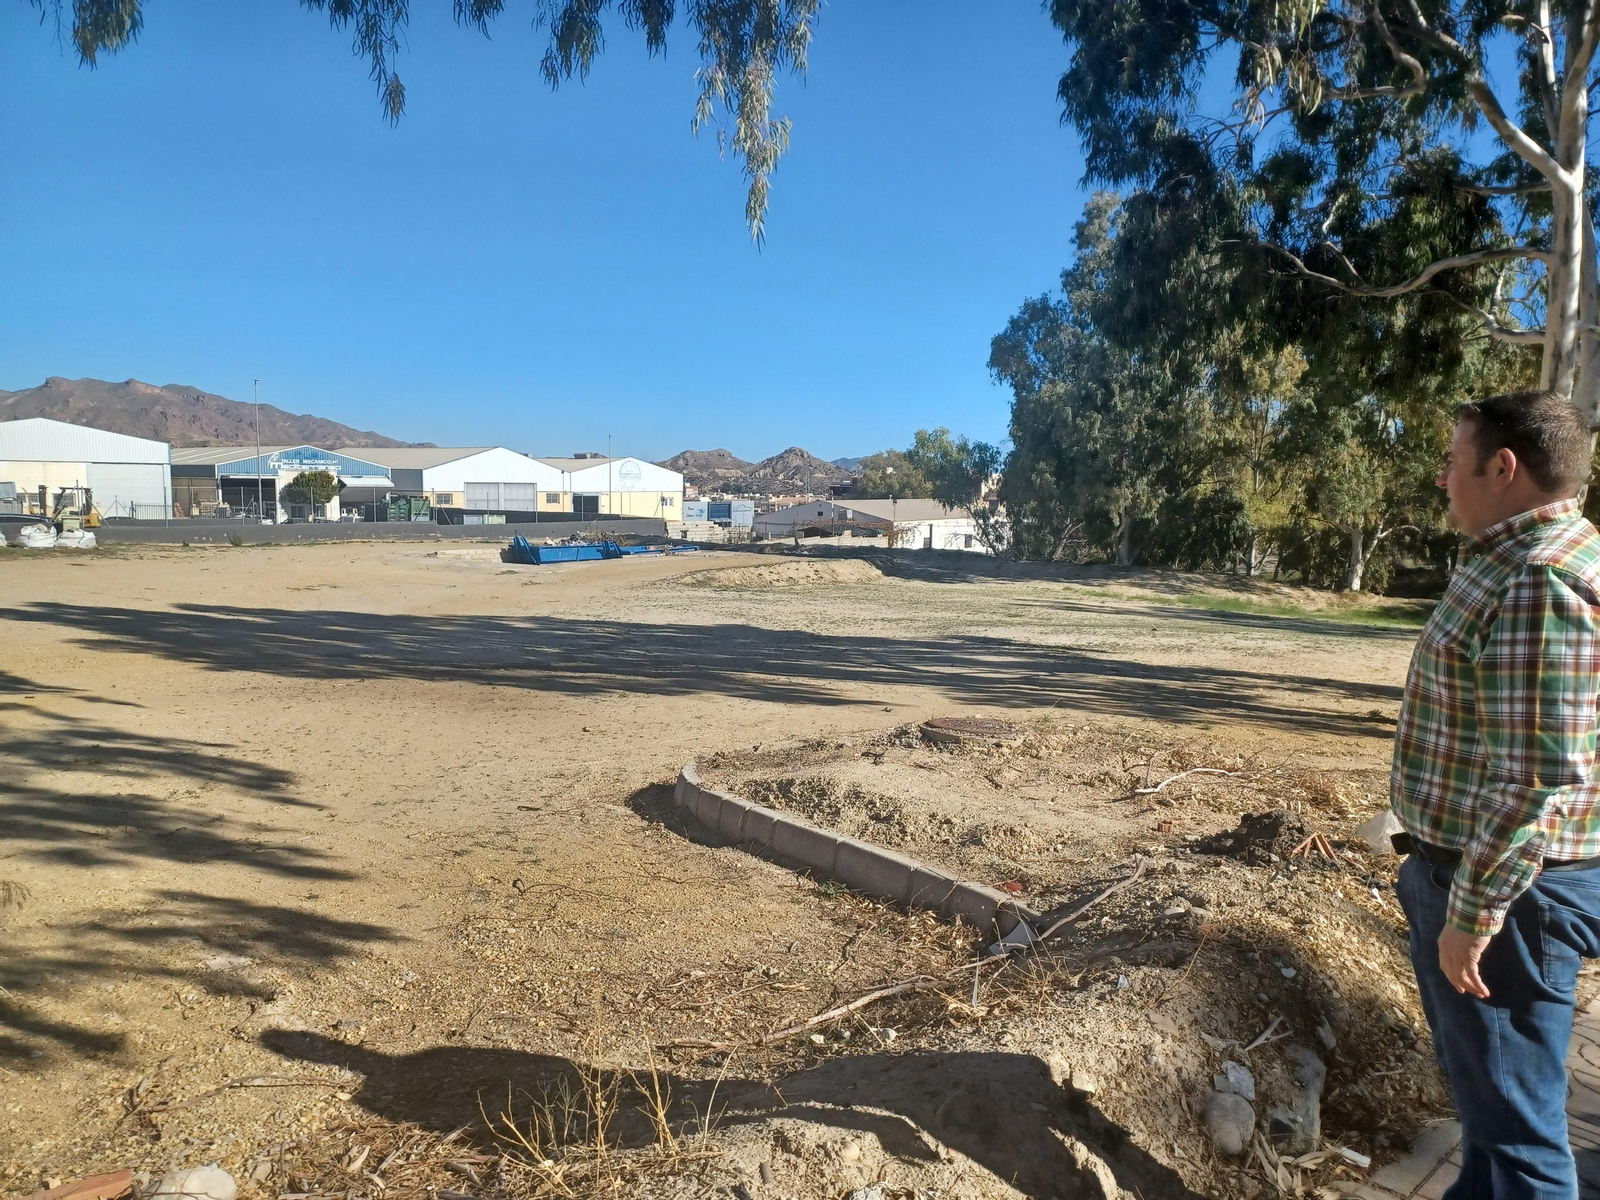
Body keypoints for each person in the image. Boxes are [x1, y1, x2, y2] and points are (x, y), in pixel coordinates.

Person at [1392, 389, 1600, 1199]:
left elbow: (1534, 777)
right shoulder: (1525, 558)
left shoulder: (1537, 581)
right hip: (1488, 878)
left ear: (1502, 467)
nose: (1443, 477)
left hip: (1511, 897)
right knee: (1492, 1118)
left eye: (1453, 460)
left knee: (1519, 1144)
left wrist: (1471, 918)